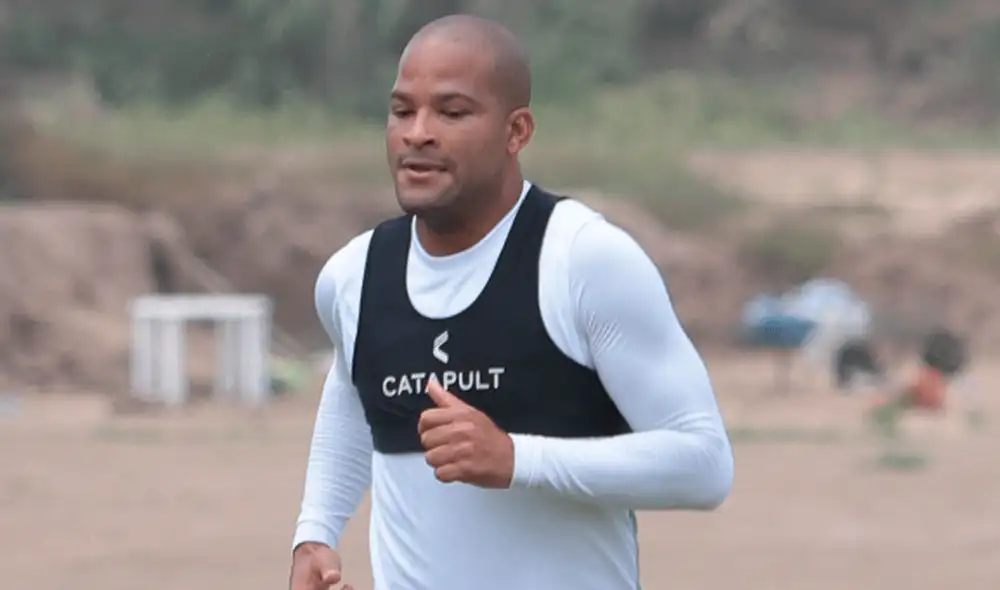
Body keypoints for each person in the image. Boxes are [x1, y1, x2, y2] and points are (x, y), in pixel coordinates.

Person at [289, 14, 734, 590]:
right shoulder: (352, 277)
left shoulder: (584, 260)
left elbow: (704, 466)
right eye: (403, 110)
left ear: (516, 131)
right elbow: (354, 399)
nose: (417, 133)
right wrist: (316, 531)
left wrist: (516, 459)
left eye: (452, 112)